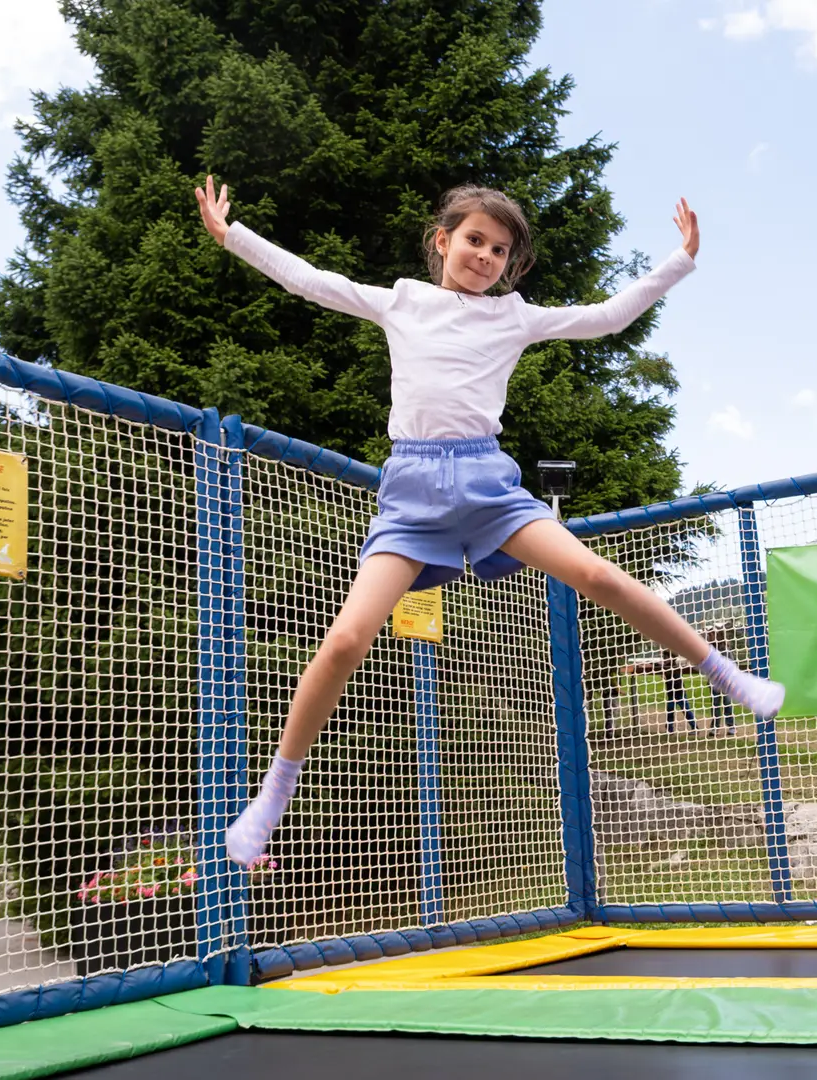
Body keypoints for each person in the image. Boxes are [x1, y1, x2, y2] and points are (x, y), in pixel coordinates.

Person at [196, 178, 787, 866]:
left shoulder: (513, 316)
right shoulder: (403, 302)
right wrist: (232, 235)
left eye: (500, 250)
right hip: (412, 497)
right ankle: (271, 797)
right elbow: (311, 281)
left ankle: (723, 675)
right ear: (443, 241)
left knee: (594, 573)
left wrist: (677, 263)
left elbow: (604, 317)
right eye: (475, 240)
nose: (485, 256)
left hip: (488, 487)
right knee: (347, 641)